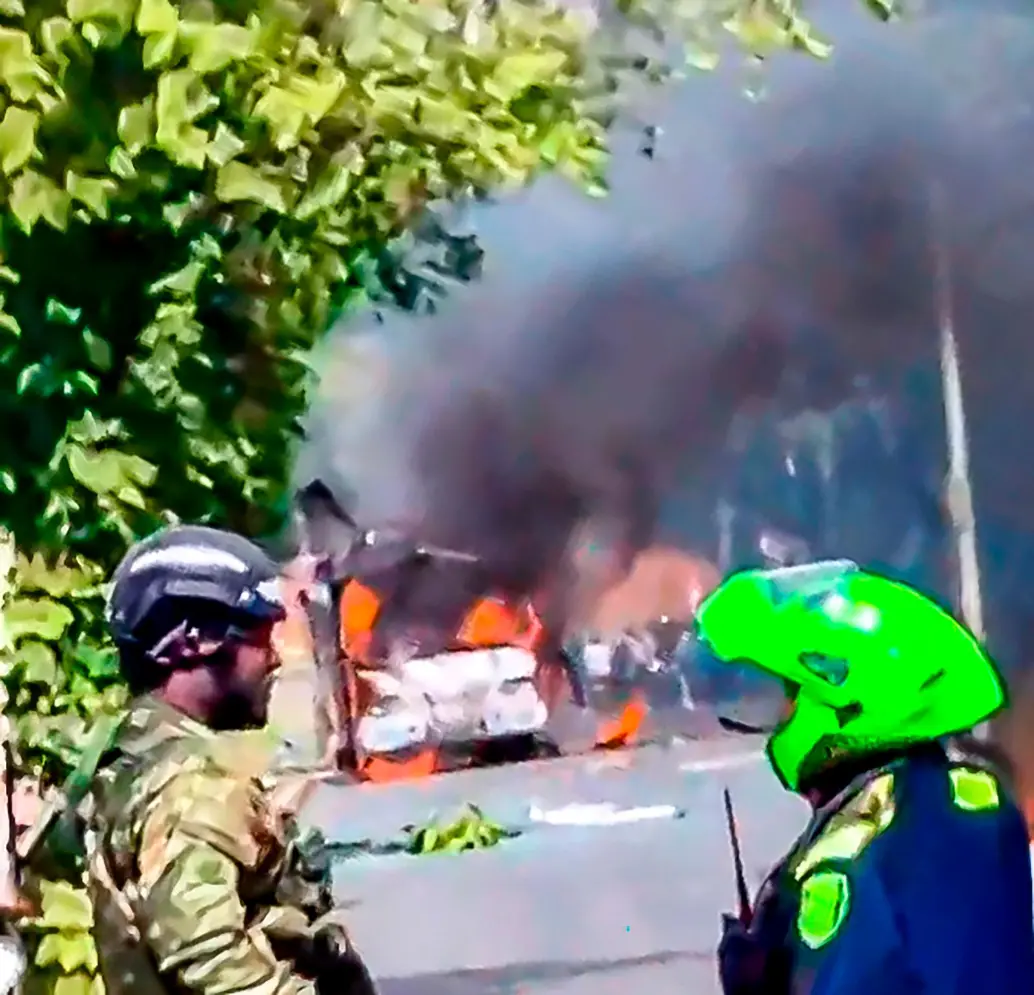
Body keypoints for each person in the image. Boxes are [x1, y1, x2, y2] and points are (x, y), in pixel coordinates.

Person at [697, 559, 1034, 995]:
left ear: (846, 703)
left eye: (792, 694)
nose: (780, 716)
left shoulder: (845, 863)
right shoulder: (981, 799)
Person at [85, 524, 377, 995]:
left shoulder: (129, 756)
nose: (276, 658)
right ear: (195, 642)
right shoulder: (190, 784)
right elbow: (212, 962)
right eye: (258, 638)